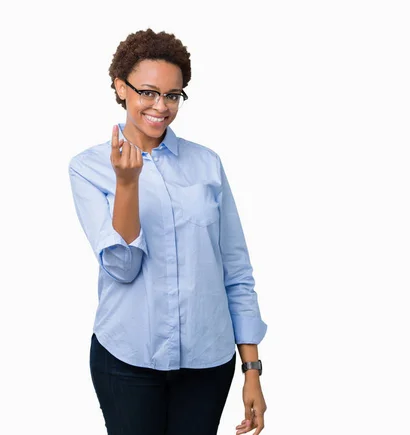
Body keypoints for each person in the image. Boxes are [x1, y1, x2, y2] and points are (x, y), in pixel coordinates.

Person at [68, 28, 268, 435]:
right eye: (148, 91)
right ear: (121, 88)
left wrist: (252, 369)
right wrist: (127, 184)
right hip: (127, 359)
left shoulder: (207, 165)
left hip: (207, 363)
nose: (161, 106)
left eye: (172, 95)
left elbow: (235, 269)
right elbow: (122, 268)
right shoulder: (88, 168)